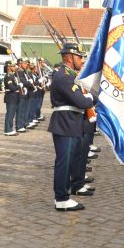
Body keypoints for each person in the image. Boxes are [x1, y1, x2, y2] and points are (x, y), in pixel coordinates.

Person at [48, 43, 96, 211]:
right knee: (64, 162)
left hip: (70, 122)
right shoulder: (64, 77)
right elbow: (81, 101)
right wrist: (91, 97)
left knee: (68, 161)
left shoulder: (69, 75)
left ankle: (64, 194)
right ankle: (61, 198)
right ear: (69, 57)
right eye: (79, 57)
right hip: (65, 123)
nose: (82, 60)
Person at [3, 61, 21, 136]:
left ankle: (10, 128)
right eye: (13, 66)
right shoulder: (8, 76)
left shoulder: (13, 76)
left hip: (14, 97)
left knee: (12, 114)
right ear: (9, 67)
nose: (15, 67)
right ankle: (7, 130)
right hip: (11, 97)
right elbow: (12, 88)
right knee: (10, 114)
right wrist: (19, 86)